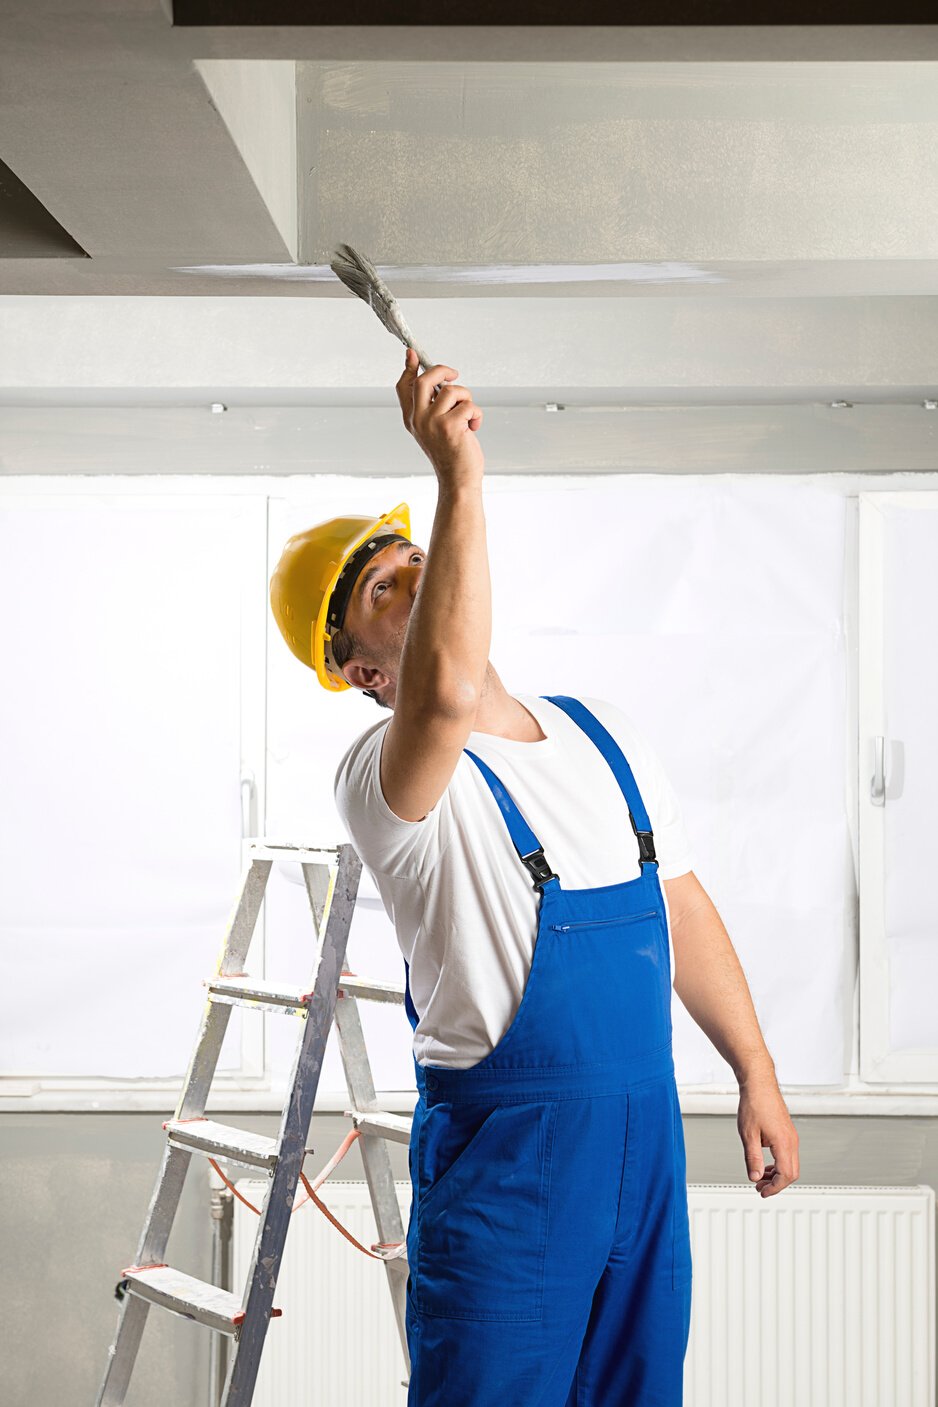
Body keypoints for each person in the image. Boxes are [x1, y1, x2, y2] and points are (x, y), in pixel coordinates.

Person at [269, 347, 799, 1407]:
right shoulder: (386, 775)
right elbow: (449, 688)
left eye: (414, 554)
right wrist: (458, 477)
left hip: (639, 1146)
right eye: (380, 586)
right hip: (510, 1166)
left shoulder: (600, 739)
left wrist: (753, 1068)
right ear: (359, 670)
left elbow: (679, 905)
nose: (413, 570)